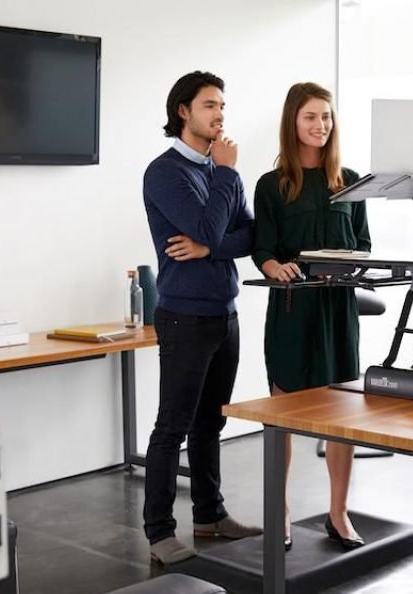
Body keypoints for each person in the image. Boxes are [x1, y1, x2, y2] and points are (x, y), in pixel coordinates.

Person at [141, 71, 261, 566]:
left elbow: (249, 237)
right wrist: (228, 176)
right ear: (182, 112)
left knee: (211, 422)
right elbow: (206, 225)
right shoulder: (166, 173)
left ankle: (210, 517)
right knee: (172, 425)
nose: (219, 115)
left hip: (224, 312)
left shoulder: (217, 173)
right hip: (184, 317)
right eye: (210, 105)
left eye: (223, 107)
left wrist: (209, 247)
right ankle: (159, 532)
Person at [252, 82, 371, 552]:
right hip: (292, 309)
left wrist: (355, 265)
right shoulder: (272, 185)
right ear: (292, 122)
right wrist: (272, 267)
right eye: (310, 117)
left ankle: (338, 513)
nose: (320, 125)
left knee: (343, 415)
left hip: (338, 310)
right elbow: (261, 247)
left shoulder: (352, 182)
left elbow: (363, 245)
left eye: (326, 116)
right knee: (282, 411)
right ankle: (279, 513)